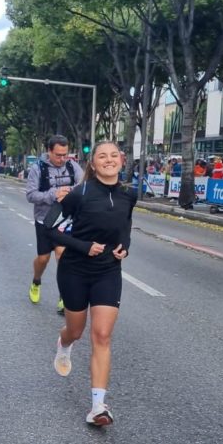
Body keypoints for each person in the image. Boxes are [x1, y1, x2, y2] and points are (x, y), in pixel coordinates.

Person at [48, 141, 137, 426]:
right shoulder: (79, 194)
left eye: (114, 155)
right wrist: (84, 246)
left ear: (121, 161)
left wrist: (125, 246)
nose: (109, 160)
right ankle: (64, 343)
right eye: (102, 156)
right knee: (76, 330)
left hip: (108, 271)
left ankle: (98, 407)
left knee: (102, 335)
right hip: (74, 269)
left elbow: (124, 226)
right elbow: (49, 230)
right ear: (94, 164)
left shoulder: (129, 194)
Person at [25, 136, 83, 314]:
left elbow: (84, 186)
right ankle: (36, 281)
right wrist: (53, 194)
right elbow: (31, 195)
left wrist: (70, 192)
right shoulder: (37, 169)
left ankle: (64, 296)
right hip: (45, 220)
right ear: (49, 151)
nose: (62, 159)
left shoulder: (73, 167)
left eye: (65, 155)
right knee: (43, 258)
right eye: (58, 155)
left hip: (66, 220)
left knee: (62, 255)